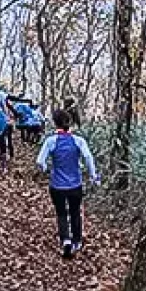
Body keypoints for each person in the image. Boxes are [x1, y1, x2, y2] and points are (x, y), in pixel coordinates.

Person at [36, 108, 99, 259]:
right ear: (69, 123)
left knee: (61, 213)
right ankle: (76, 241)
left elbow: (39, 161)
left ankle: (65, 240)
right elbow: (88, 158)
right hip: (75, 185)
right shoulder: (78, 141)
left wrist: (45, 169)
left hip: (57, 185)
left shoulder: (51, 141)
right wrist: (93, 176)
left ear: (55, 123)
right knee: (75, 212)